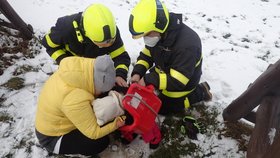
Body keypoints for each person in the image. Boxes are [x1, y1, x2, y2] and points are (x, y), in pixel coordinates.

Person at [129, 0, 212, 115]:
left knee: (161, 108)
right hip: (164, 71)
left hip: (182, 82)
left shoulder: (187, 45)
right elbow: (147, 54)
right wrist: (137, 73)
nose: (145, 38)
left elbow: (177, 81)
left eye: (147, 34)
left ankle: (200, 92)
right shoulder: (158, 34)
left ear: (159, 25)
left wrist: (149, 79)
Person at [35, 55, 126, 156]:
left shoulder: (81, 69)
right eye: (102, 90)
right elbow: (94, 133)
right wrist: (115, 124)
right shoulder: (73, 99)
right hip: (53, 137)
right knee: (100, 142)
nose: (102, 92)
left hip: (57, 117)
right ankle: (76, 152)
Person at [41, 3, 131, 87]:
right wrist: (65, 62)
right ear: (87, 34)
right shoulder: (64, 29)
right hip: (72, 65)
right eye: (101, 44)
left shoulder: (111, 33)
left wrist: (120, 74)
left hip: (95, 66)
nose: (108, 46)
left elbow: (121, 57)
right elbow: (49, 45)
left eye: (111, 42)